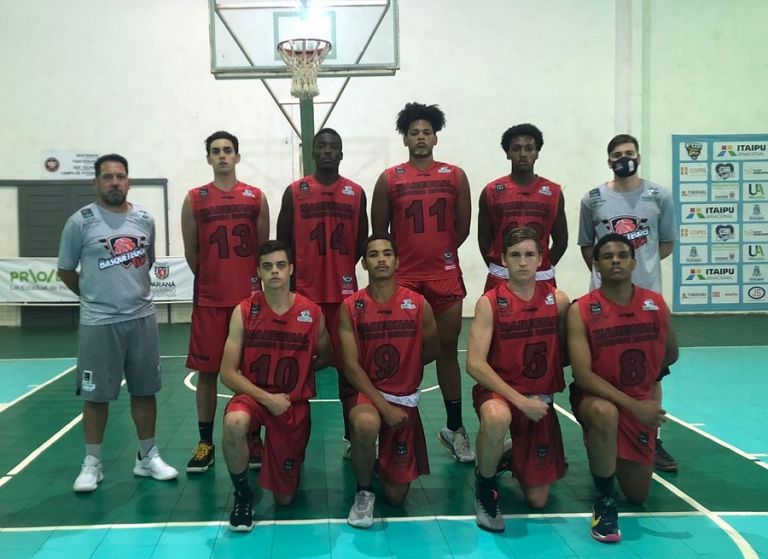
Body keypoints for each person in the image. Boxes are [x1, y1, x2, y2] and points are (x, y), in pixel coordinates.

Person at [59, 153, 178, 493]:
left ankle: (147, 456)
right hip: (99, 323)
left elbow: (147, 262)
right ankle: (92, 463)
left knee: (145, 391)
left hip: (141, 319)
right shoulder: (80, 222)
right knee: (96, 396)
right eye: (107, 177)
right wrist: (93, 296)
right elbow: (66, 270)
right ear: (96, 182)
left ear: (129, 181)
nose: (114, 182)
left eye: (120, 176)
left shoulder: (144, 219)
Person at [370, 102, 474, 463]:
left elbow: (461, 229)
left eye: (426, 132)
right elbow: (380, 233)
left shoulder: (455, 175)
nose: (420, 137)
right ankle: (392, 426)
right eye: (414, 132)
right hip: (406, 280)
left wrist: (439, 253)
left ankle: (455, 428)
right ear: (405, 138)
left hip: (444, 276)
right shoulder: (389, 178)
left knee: (447, 351)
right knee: (401, 355)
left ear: (436, 136)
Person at [577, 133, 679, 472]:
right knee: (603, 366)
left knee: (652, 373)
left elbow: (665, 243)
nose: (624, 158)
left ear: (638, 156)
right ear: (609, 160)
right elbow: (587, 247)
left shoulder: (659, 196)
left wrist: (640, 270)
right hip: (604, 302)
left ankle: (652, 437)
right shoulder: (593, 199)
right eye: (617, 154)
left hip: (646, 298)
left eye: (629, 153)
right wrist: (609, 276)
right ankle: (602, 430)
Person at [567, 233, 678, 543]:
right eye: (607, 256)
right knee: (604, 413)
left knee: (638, 495)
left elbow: (670, 354)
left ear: (633, 262)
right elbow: (583, 376)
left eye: (621, 254)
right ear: (597, 266)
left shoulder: (655, 304)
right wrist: (635, 406)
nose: (615, 259)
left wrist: (647, 390)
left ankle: (607, 445)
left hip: (638, 401)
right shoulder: (582, 310)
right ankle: (604, 502)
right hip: (597, 398)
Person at [219, 240, 332, 532]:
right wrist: (267, 398)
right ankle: (243, 494)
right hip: (256, 397)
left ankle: (276, 453)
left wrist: (303, 373)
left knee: (284, 499)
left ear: (291, 269)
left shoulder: (312, 313)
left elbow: (327, 355)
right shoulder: (243, 311)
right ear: (258, 272)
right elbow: (227, 373)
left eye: (281, 265)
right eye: (267, 267)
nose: (275, 272)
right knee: (234, 422)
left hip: (291, 404)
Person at [466, 227, 569, 532]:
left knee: (538, 500)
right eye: (515, 255)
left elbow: (567, 353)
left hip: (538, 399)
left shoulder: (558, 301)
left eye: (529, 255)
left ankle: (505, 453)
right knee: (497, 417)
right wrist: (520, 401)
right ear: (504, 260)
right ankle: (485, 489)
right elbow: (474, 364)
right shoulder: (490, 303)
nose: (522, 262)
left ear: (541, 260)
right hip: (500, 394)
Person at [181, 131, 270, 474]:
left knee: (253, 372)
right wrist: (212, 278)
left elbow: (263, 249)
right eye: (215, 151)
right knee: (207, 373)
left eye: (227, 150)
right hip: (210, 301)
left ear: (237, 156)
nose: (221, 156)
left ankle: (252, 437)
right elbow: (193, 252)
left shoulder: (255, 197)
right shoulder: (195, 198)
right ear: (208, 158)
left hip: (248, 301)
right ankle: (205, 442)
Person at [276, 127, 368, 457]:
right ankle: (289, 437)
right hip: (305, 295)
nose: (328, 151)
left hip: (343, 295)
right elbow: (283, 240)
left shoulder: (356, 193)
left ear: (341, 154)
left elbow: (361, 242)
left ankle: (350, 436)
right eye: (322, 146)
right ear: (313, 153)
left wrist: (340, 267)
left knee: (348, 369)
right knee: (297, 370)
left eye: (334, 147)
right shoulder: (295, 191)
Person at [339, 234, 439, 528]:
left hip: (403, 396)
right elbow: (350, 365)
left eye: (386, 254)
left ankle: (381, 461)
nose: (380, 259)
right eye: (373, 254)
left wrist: (406, 371)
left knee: (396, 497)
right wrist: (383, 406)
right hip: (366, 394)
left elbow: (431, 349)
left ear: (397, 261)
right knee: (366, 424)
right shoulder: (351, 307)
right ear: (364, 263)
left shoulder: (418, 305)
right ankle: (364, 490)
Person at [477, 123, 568, 291]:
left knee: (544, 318)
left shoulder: (553, 192)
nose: (523, 154)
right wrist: (500, 265)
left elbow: (561, 240)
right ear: (508, 153)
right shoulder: (491, 191)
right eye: (517, 149)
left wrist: (541, 264)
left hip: (541, 276)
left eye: (529, 148)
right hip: (501, 274)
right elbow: (484, 238)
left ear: (537, 153)